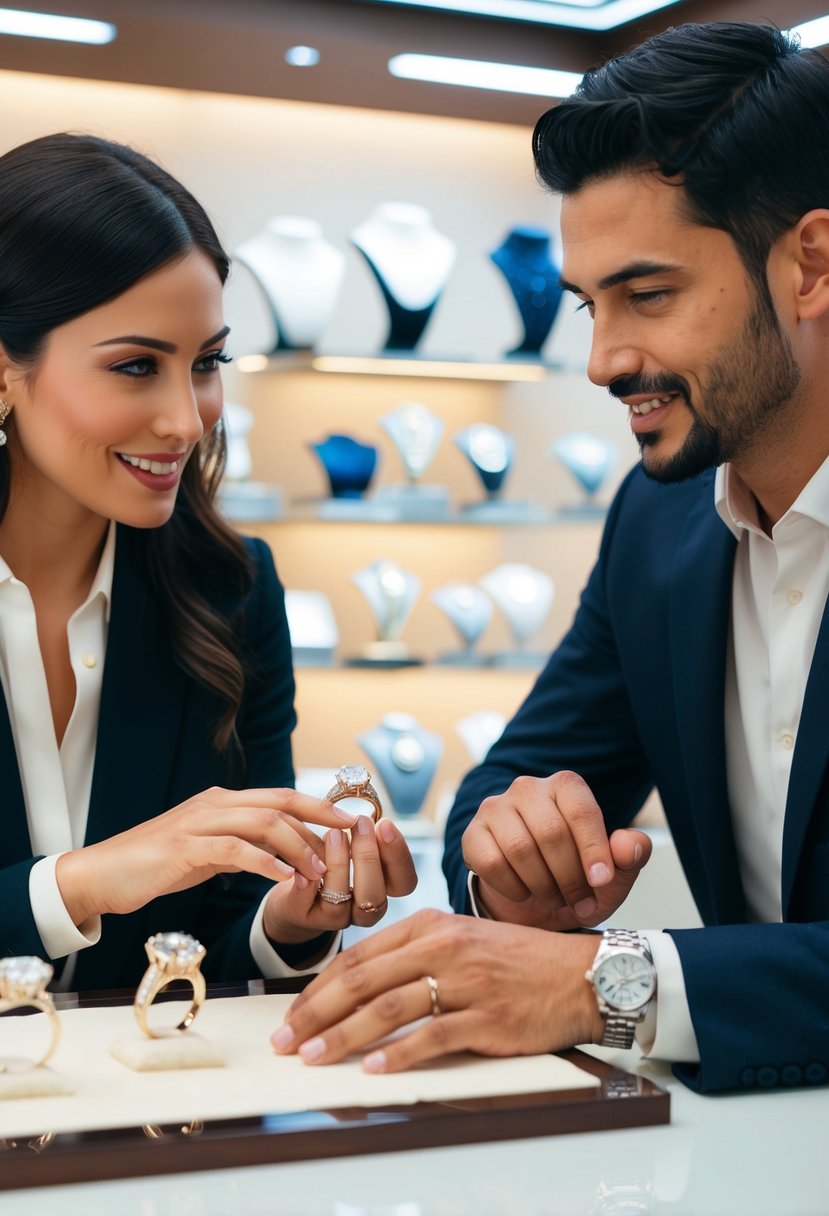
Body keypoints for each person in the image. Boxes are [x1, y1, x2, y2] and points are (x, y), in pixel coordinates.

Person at [271, 21, 829, 1095]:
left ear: (809, 262)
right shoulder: (656, 524)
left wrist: (602, 982)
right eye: (588, 303)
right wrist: (511, 869)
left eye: (648, 296)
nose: (601, 360)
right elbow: (504, 788)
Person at [0, 132, 416, 992]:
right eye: (135, 366)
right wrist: (80, 882)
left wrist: (293, 920)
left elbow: (219, 946)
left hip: (154, 1116)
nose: (189, 420)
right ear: (7, 369)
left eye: (206, 363)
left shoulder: (234, 594)